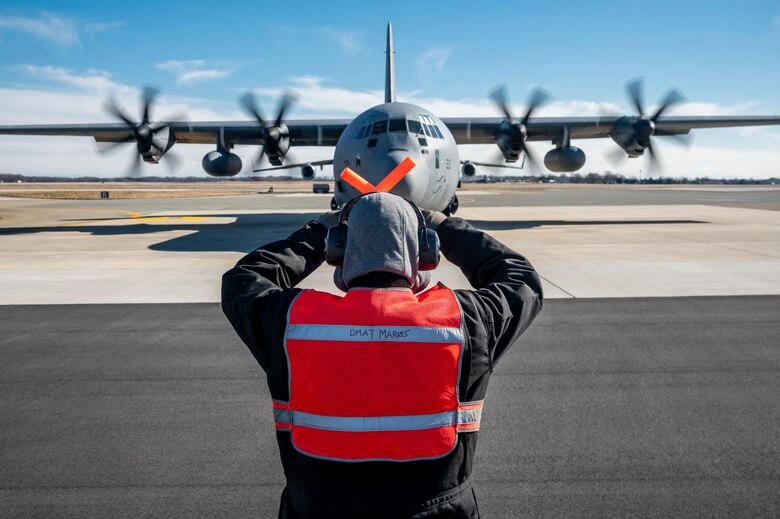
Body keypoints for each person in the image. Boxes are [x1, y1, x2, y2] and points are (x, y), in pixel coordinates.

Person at [222, 192, 543, 518]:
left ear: (338, 250)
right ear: (425, 251)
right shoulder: (465, 320)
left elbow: (243, 281)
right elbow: (521, 280)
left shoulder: (292, 321)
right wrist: (445, 228)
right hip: (440, 510)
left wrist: (319, 231)